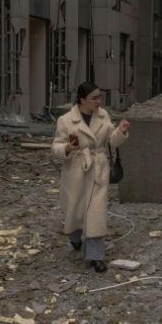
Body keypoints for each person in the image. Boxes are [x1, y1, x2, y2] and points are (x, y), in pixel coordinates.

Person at [52, 81, 130, 272]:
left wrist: (121, 131)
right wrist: (67, 148)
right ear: (82, 100)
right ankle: (75, 236)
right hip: (76, 171)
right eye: (94, 98)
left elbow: (112, 140)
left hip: (98, 168)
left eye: (99, 97)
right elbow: (55, 147)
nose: (98, 101)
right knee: (75, 212)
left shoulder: (103, 116)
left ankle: (96, 257)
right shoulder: (66, 121)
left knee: (97, 212)